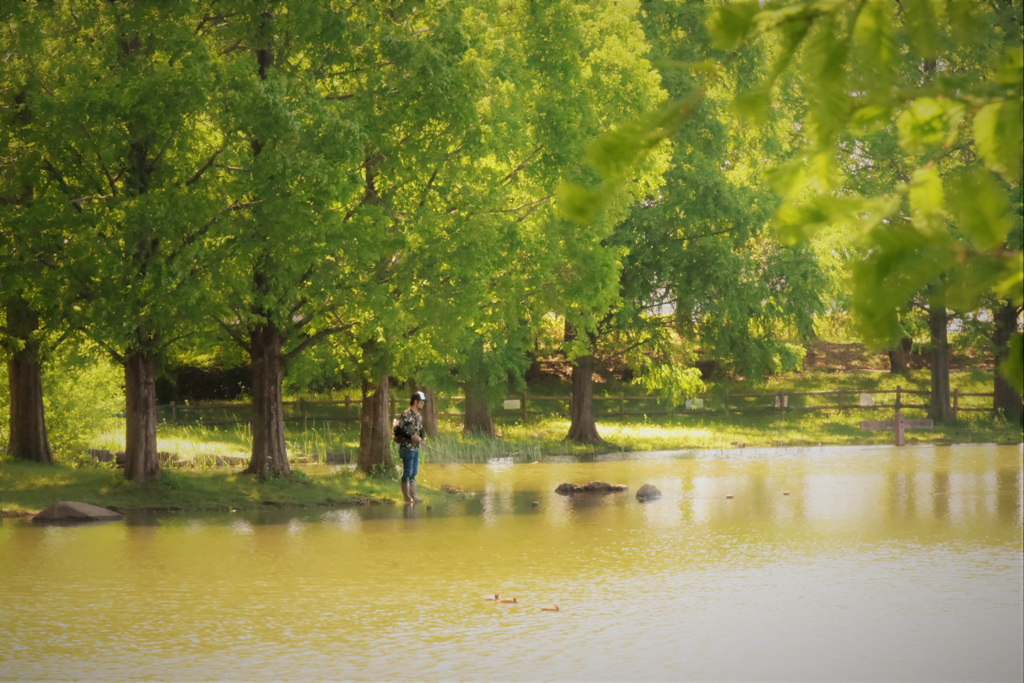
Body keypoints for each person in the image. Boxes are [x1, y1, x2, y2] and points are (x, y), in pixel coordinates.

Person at [395, 391, 427, 503]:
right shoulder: (406, 414)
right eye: (422, 402)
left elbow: (421, 430)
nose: (423, 404)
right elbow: (398, 430)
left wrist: (422, 439)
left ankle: (414, 495)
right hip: (406, 448)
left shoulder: (419, 416)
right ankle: (406, 497)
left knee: (414, 473)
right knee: (407, 472)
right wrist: (410, 436)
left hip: (415, 448)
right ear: (416, 402)